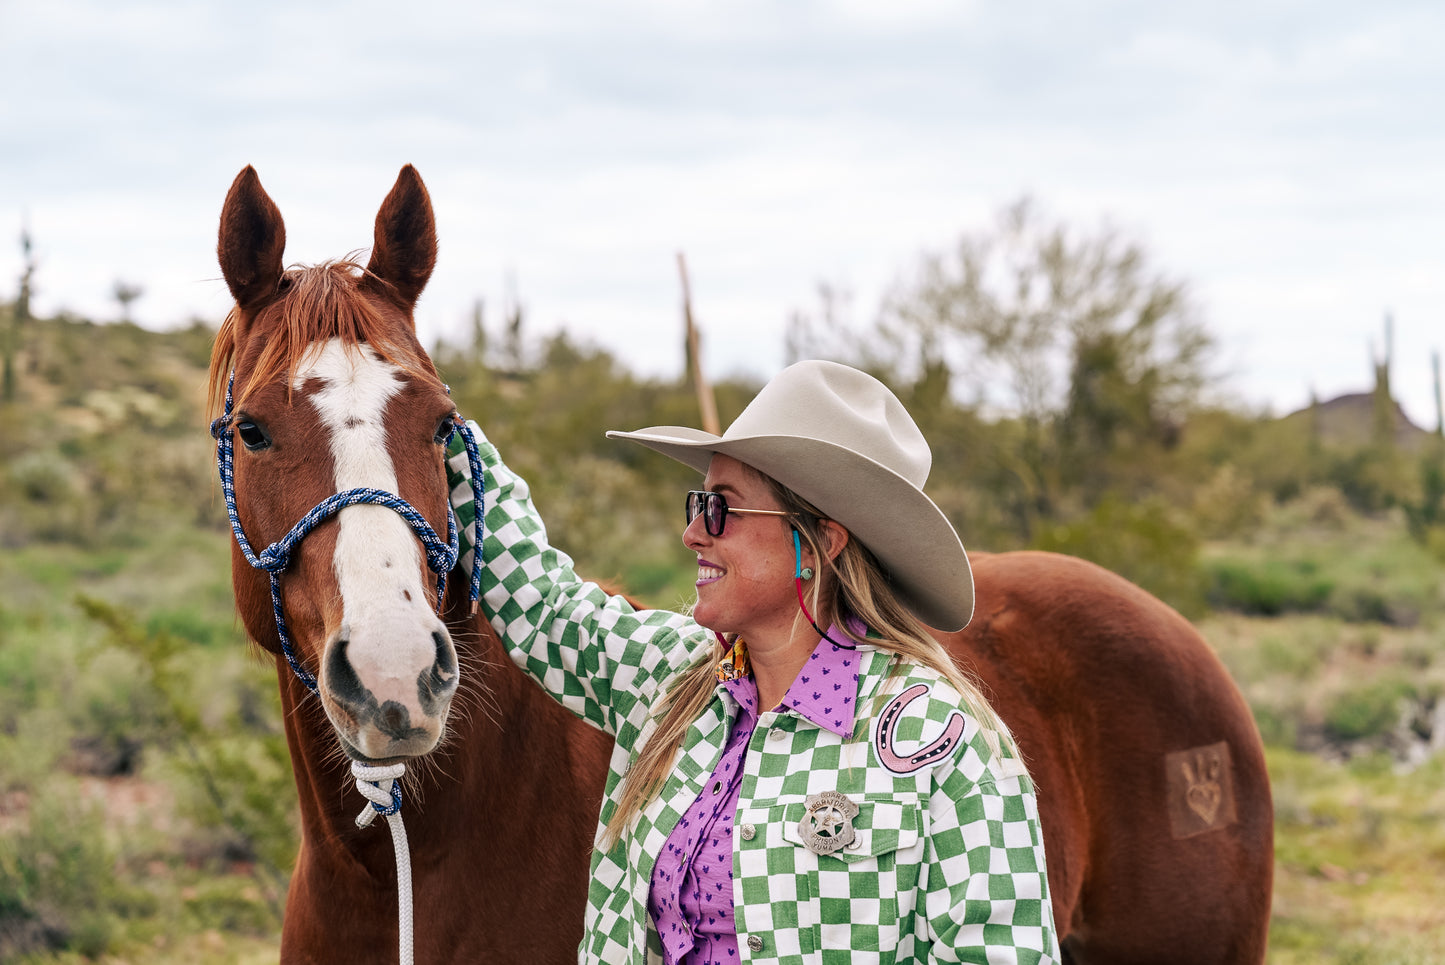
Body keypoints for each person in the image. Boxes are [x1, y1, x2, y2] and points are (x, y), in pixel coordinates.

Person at [448, 359, 1058, 964]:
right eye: (697, 504)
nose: (692, 534)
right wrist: (436, 422)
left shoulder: (940, 739)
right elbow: (545, 606)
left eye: (722, 508)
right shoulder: (670, 680)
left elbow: (999, 952)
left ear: (819, 542)